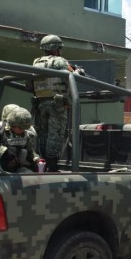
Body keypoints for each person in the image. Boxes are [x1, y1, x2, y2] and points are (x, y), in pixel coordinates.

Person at [30, 34, 85, 172]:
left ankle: (43, 163)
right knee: (56, 135)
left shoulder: (36, 62)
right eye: (59, 48)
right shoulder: (60, 61)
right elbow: (75, 76)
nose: (60, 51)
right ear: (56, 48)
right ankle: (52, 166)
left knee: (44, 134)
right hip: (57, 104)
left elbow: (29, 85)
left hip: (40, 103)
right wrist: (79, 70)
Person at [0, 107, 40, 173]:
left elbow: (30, 151)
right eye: (20, 128)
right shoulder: (0, 130)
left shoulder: (25, 134)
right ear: (13, 124)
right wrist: (4, 152)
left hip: (17, 168)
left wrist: (36, 159)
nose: (22, 130)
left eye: (24, 128)